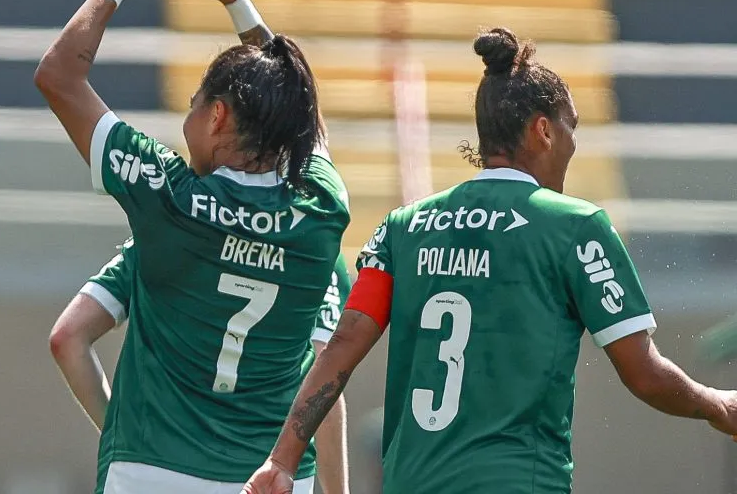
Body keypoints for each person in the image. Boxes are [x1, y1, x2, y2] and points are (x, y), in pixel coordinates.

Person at [243, 28, 737, 494]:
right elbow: (643, 373)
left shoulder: (404, 226)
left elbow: (341, 346)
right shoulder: (574, 227)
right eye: (571, 126)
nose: (573, 142)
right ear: (544, 130)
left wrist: (283, 460)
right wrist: (716, 404)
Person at [34, 0, 350, 494]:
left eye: (193, 108)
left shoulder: (171, 196)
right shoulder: (321, 207)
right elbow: (306, 120)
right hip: (271, 478)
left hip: (152, 469)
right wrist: (236, 0)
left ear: (218, 116)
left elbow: (59, 75)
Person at [49, 238, 352, 494]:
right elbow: (324, 381)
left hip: (156, 461)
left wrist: (122, 434)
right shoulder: (315, 245)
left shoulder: (169, 225)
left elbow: (67, 338)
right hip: (267, 473)